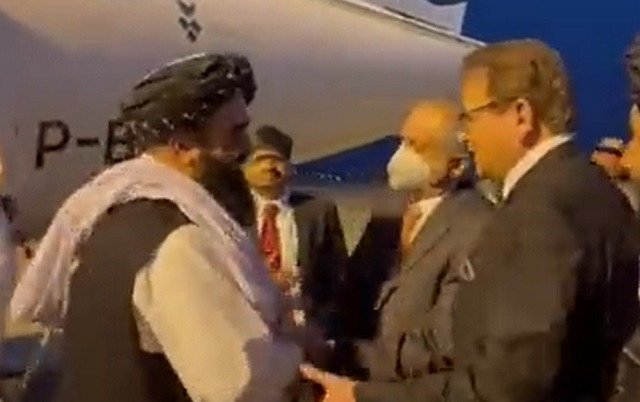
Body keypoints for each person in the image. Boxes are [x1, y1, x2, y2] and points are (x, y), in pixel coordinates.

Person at [10, 53, 304, 402]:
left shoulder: (107, 216)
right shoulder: (179, 241)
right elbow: (238, 385)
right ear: (183, 145)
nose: (245, 149)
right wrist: (298, 354)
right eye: (235, 133)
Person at [302, 100, 492, 401]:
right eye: (402, 141)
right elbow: (351, 293)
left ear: (455, 166)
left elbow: (444, 340)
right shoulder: (389, 215)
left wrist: (346, 353)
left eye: (416, 146)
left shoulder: (478, 225)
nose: (401, 156)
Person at [243, 125, 348, 367]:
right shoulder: (231, 213)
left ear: (290, 167)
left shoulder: (317, 210)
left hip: (304, 330)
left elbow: (337, 274)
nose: (269, 167)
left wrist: (323, 325)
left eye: (277, 160)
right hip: (252, 333)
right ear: (244, 168)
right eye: (260, 160)